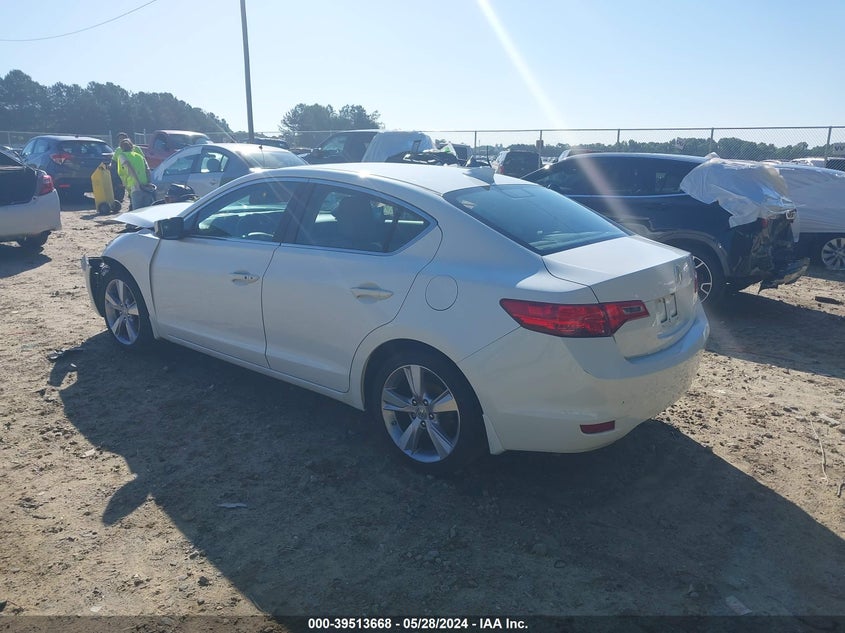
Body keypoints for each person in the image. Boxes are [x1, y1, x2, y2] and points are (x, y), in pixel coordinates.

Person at [115, 138, 154, 210]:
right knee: (147, 210)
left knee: (137, 211)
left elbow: (129, 168)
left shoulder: (122, 156)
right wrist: (149, 182)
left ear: (121, 148)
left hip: (135, 187)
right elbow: (147, 170)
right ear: (132, 146)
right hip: (146, 186)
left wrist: (137, 183)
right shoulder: (140, 156)